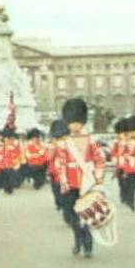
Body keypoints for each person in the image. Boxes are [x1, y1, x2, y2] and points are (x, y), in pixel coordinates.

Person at [55, 98, 106, 258]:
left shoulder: (91, 141)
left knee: (86, 214)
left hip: (86, 184)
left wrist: (98, 176)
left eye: (77, 122)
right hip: (70, 184)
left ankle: (88, 243)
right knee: (72, 216)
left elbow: (100, 159)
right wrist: (63, 181)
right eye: (72, 123)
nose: (75, 126)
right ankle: (78, 238)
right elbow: (60, 164)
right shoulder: (64, 143)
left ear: (82, 122)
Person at [46, 119, 67, 212]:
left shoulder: (66, 145)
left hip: (65, 171)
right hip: (54, 171)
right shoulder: (51, 147)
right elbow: (48, 158)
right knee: (56, 189)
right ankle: (59, 202)